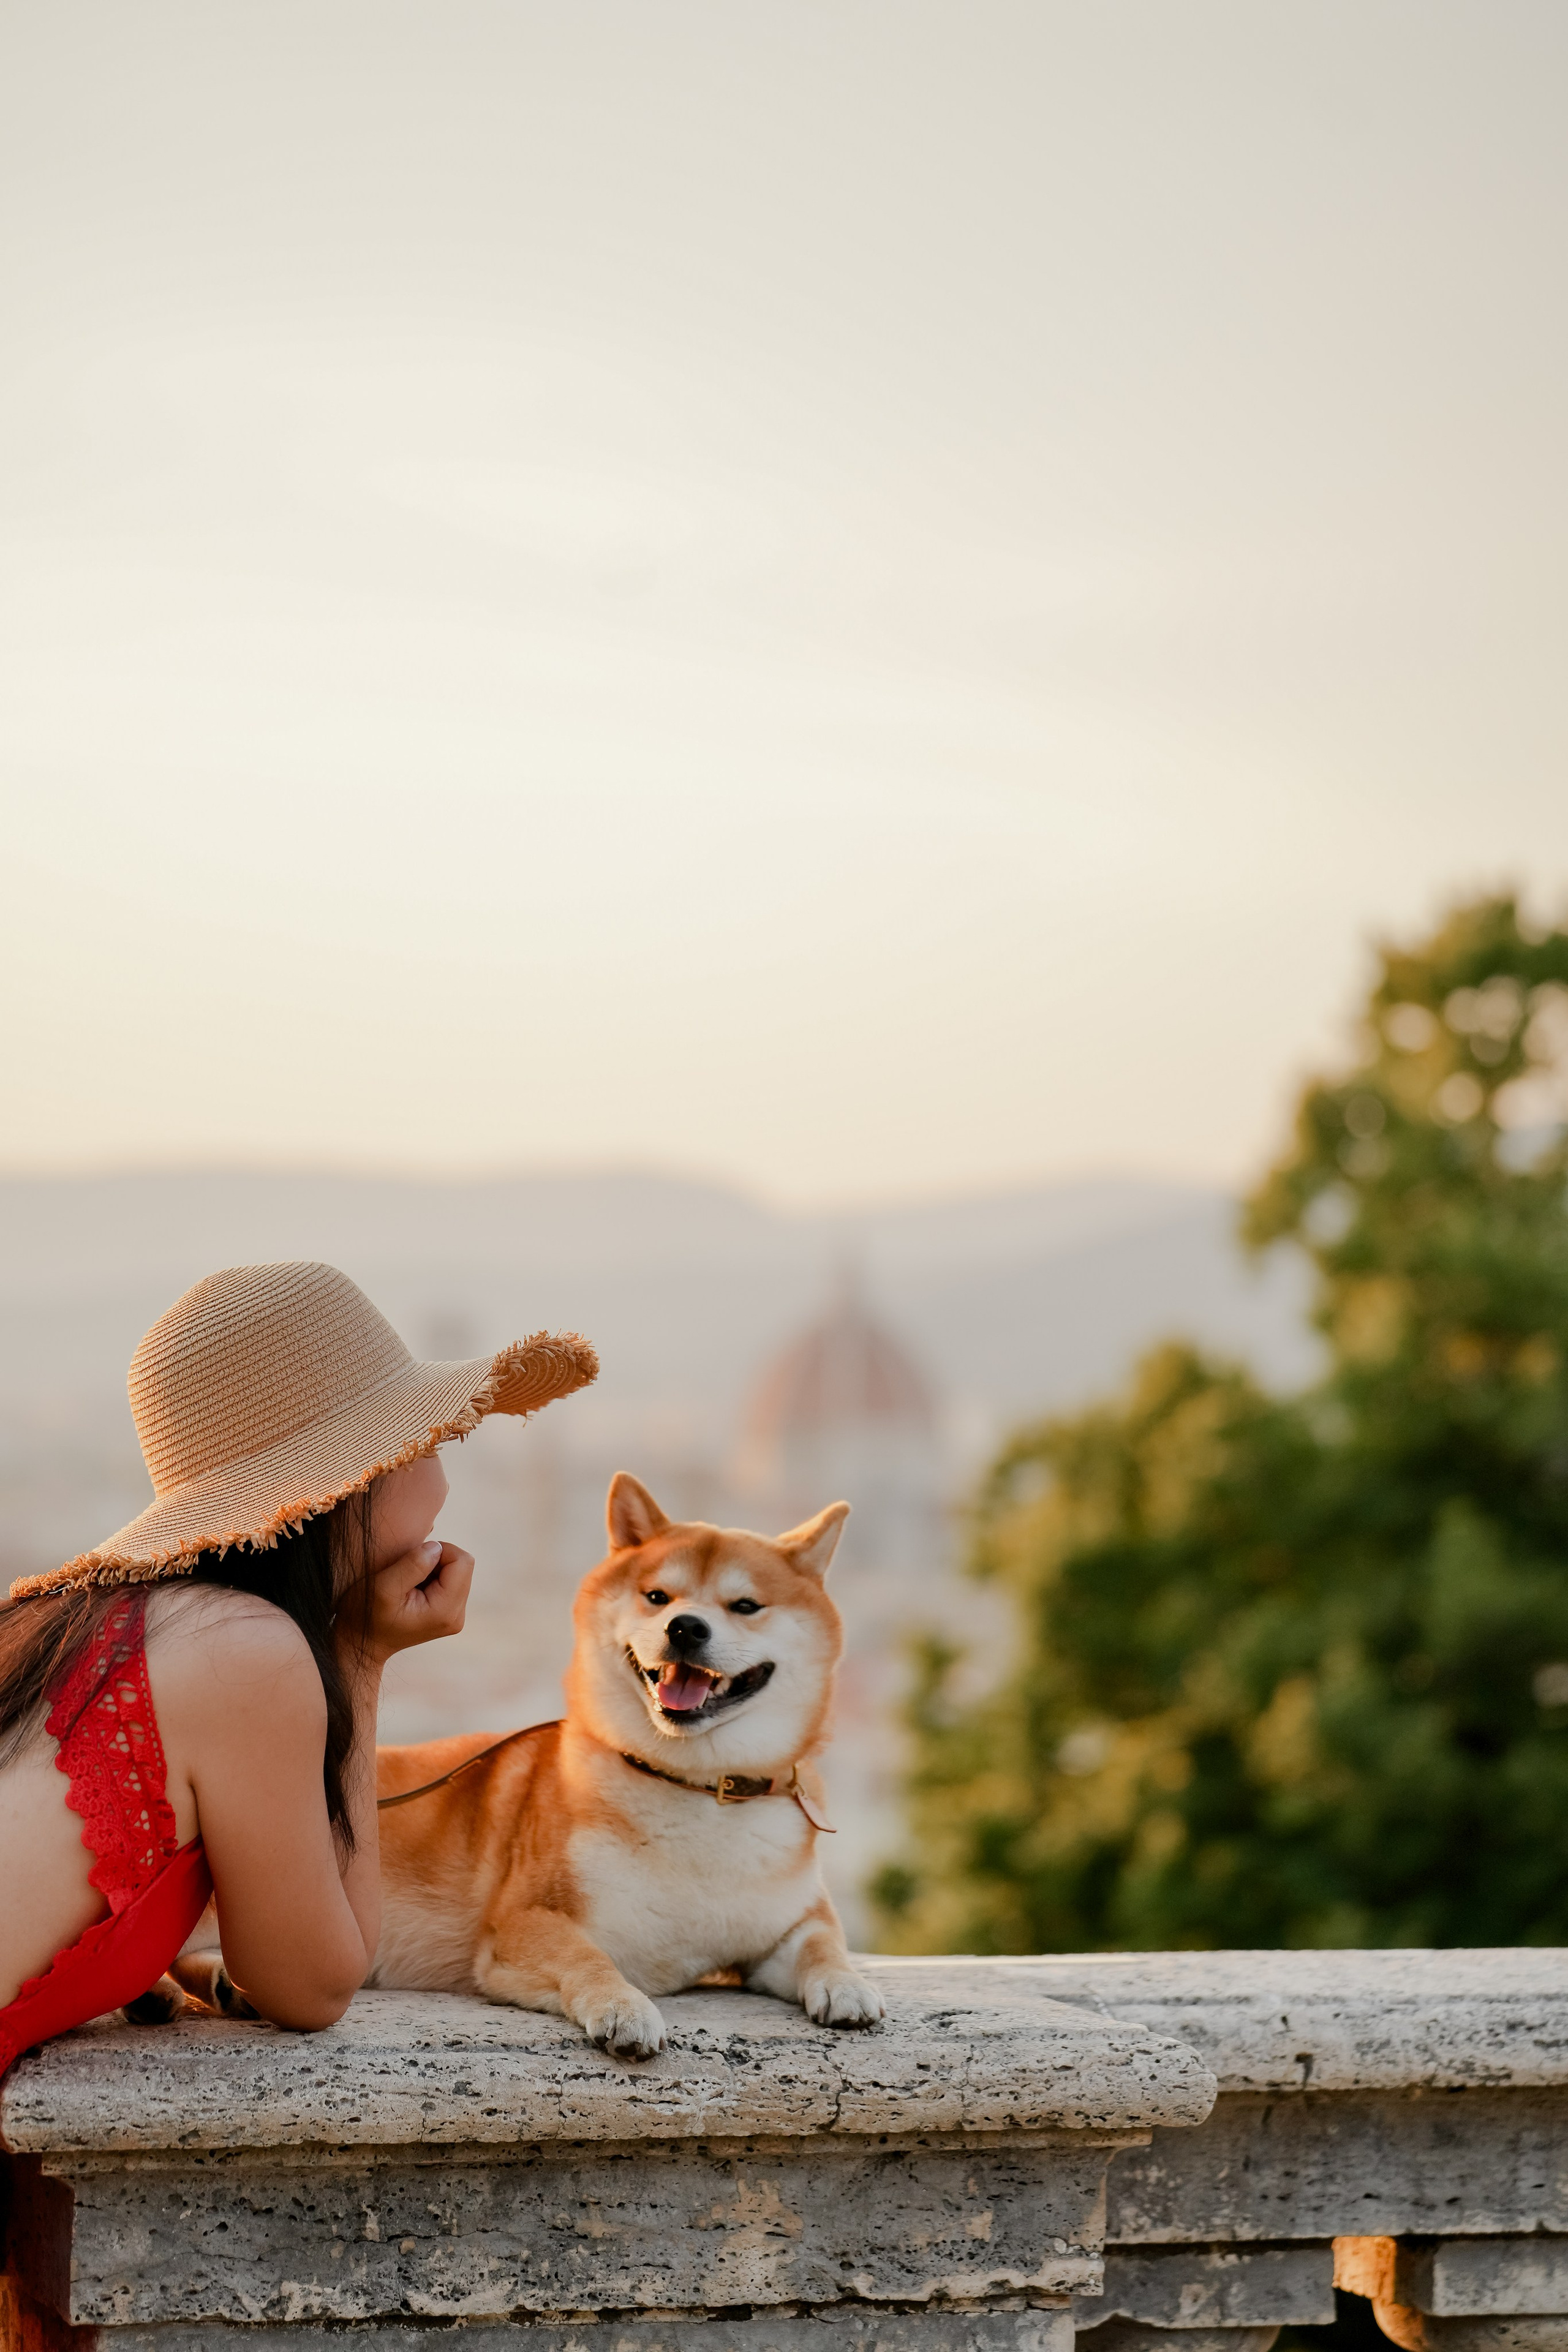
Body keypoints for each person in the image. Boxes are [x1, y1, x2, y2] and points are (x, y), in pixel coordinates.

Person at [0, 1261, 595, 2077]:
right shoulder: (240, 1649)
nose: (446, 1478)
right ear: (350, 1484)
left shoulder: (89, 1629)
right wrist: (360, 1655)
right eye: (427, 1440)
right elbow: (314, 1987)